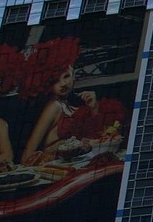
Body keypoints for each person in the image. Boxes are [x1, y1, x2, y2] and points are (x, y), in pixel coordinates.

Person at [20, 37, 115, 165]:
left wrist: (94, 108)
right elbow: (26, 157)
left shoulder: (68, 106)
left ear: (73, 73)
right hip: (53, 169)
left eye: (66, 76)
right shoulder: (54, 106)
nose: (63, 84)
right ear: (46, 83)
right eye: (55, 80)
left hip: (74, 166)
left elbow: (98, 139)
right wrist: (57, 150)